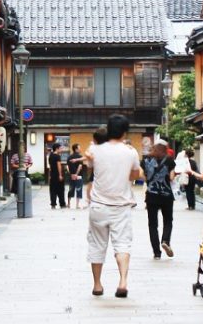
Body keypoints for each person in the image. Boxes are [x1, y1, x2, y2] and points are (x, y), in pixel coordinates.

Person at [86, 114, 141, 298]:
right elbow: (134, 176)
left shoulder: (96, 150)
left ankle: (97, 285)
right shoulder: (131, 152)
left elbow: (89, 165)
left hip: (99, 206)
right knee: (123, 244)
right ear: (125, 132)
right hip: (121, 206)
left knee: (97, 244)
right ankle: (123, 282)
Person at [142, 139, 176, 259]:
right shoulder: (169, 160)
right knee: (168, 221)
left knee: (152, 225)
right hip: (166, 195)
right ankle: (165, 240)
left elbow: (143, 175)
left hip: (151, 195)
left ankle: (156, 253)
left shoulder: (146, 160)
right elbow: (171, 178)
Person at [47, 144, 66, 209]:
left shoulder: (50, 156)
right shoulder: (57, 156)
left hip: (52, 175)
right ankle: (62, 204)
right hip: (58, 176)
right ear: (57, 149)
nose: (61, 149)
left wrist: (49, 176)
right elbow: (59, 166)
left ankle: (53, 204)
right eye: (60, 148)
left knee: (52, 190)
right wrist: (60, 175)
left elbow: (50, 167)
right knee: (60, 190)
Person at [67, 144, 85, 209]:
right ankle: (77, 205)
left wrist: (71, 174)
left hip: (71, 176)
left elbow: (67, 167)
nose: (80, 149)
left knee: (71, 189)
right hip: (79, 176)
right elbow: (80, 166)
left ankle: (68, 204)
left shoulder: (69, 157)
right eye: (79, 148)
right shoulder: (80, 157)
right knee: (79, 189)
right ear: (76, 149)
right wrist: (76, 174)